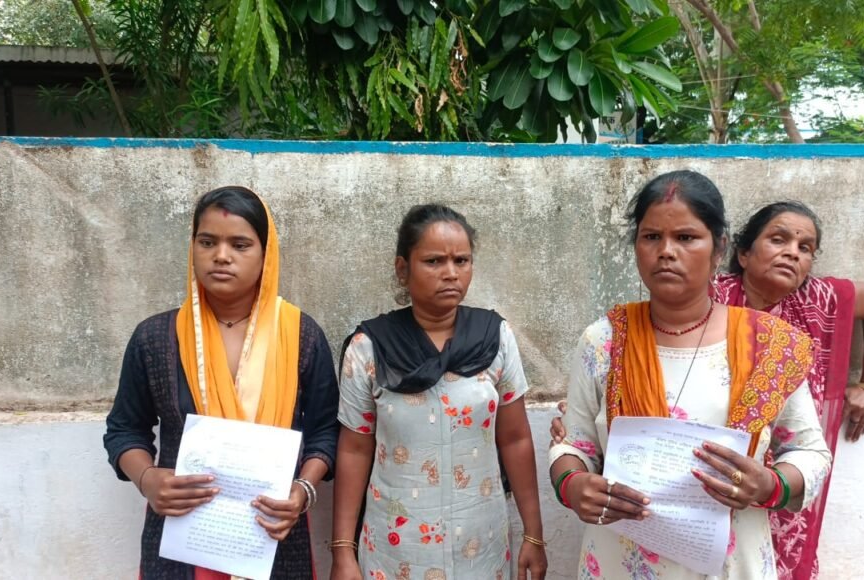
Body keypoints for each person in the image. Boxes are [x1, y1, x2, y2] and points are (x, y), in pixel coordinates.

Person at [552, 200, 864, 579]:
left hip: (732, 561)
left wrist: (771, 484)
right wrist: (572, 484)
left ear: (719, 249)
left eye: (686, 237)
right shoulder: (604, 341)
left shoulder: (771, 344)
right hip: (621, 560)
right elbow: (575, 445)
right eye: (651, 237)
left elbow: (810, 452)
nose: (666, 251)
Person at [103, 186, 340, 579]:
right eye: (207, 242)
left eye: (240, 245)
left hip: (273, 537)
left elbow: (325, 432)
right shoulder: (156, 338)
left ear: (266, 254)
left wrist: (302, 492)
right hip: (181, 540)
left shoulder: (300, 336)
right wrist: (147, 479)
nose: (221, 256)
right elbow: (124, 429)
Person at [330, 204, 547, 580]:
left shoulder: (494, 338)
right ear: (403, 269)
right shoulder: (370, 347)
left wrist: (534, 534)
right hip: (397, 549)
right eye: (434, 261)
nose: (451, 273)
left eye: (461, 260)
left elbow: (514, 439)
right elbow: (354, 449)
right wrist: (342, 552)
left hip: (481, 544)